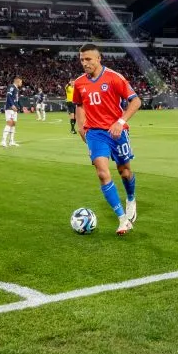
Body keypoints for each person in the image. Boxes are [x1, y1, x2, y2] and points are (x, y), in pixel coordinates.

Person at [73, 43, 141, 236]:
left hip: (117, 132)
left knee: (124, 172)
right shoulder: (79, 83)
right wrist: (81, 126)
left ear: (98, 58)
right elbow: (79, 105)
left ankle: (130, 199)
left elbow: (136, 101)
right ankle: (122, 219)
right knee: (103, 173)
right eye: (81, 60)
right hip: (95, 133)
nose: (84, 63)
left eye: (88, 59)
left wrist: (120, 121)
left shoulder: (114, 77)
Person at [0, 77, 23, 147]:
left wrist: (22, 106)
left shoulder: (16, 89)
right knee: (9, 123)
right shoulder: (11, 87)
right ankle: (3, 141)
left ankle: (11, 141)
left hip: (15, 108)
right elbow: (8, 96)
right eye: (21, 82)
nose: (21, 83)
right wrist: (12, 105)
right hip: (10, 108)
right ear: (17, 81)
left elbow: (17, 99)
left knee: (13, 124)